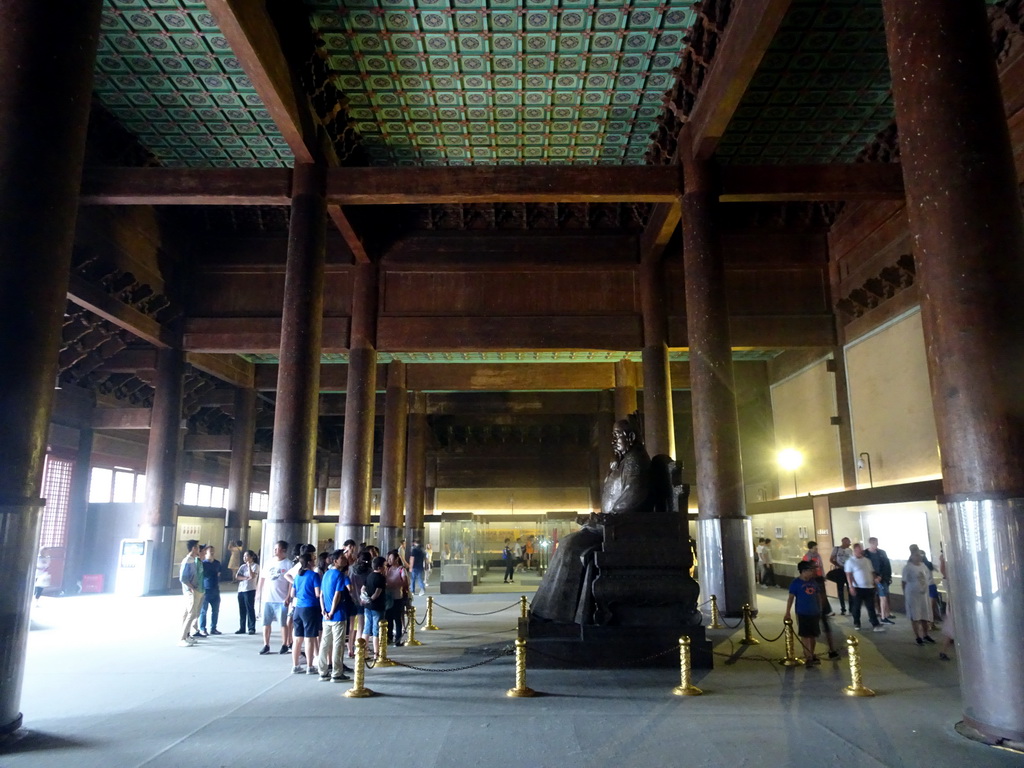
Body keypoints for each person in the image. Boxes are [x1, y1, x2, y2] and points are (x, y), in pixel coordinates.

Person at [531, 416, 652, 623]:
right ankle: (551, 609)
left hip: (622, 528)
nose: (613, 440)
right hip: (610, 525)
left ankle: (558, 612)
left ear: (631, 437)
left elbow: (632, 499)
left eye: (617, 436)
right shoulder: (623, 461)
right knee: (569, 542)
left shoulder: (635, 462)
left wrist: (605, 519)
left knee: (571, 545)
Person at [784, 561, 828, 664]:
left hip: (814, 612)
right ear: (803, 571)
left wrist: (820, 608)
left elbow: (818, 595)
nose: (812, 572)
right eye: (809, 570)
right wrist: (787, 612)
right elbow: (790, 598)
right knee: (805, 635)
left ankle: (811, 654)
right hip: (802, 612)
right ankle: (807, 656)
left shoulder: (813, 582)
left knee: (813, 634)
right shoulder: (795, 583)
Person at [318, 550, 350, 682]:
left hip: (325, 615)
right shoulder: (340, 576)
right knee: (338, 644)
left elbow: (321, 595)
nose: (344, 559)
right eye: (342, 558)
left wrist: (323, 610)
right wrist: (331, 611)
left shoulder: (326, 574)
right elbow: (337, 595)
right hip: (337, 614)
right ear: (335, 560)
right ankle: (337, 672)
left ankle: (322, 671)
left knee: (325, 643)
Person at [255, 540, 292, 655]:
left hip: (281, 599)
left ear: (283, 550)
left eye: (277, 549)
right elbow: (262, 578)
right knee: (266, 623)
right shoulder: (268, 563)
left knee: (283, 623)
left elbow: (291, 582)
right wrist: (258, 592)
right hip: (268, 598)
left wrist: (288, 596)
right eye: (274, 549)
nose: (275, 551)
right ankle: (266, 644)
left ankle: (284, 644)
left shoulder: (288, 564)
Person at [290, 553, 322, 674]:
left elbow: (293, 594)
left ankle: (295, 665)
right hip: (310, 608)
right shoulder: (314, 575)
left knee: (297, 638)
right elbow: (318, 593)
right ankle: (310, 666)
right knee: (310, 638)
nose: (314, 561)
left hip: (298, 609)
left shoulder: (298, 576)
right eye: (313, 560)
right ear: (309, 562)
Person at [845, 542, 884, 632]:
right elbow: (849, 574)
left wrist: (875, 582)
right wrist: (851, 586)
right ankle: (857, 622)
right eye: (858, 549)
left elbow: (872, 571)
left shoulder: (867, 560)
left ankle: (875, 624)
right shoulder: (850, 561)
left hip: (869, 587)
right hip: (858, 587)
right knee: (857, 606)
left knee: (870, 606)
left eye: (861, 549)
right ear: (854, 550)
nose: (860, 551)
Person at [902, 550, 936, 646]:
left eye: (920, 555)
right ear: (912, 556)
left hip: (923, 595)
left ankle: (925, 634)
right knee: (915, 616)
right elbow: (904, 581)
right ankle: (918, 636)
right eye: (917, 555)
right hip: (913, 595)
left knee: (924, 615)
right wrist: (905, 594)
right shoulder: (908, 568)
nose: (919, 557)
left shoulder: (923, 566)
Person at [178, 539, 204, 647]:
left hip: (192, 589)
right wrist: (192, 587)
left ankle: (187, 635)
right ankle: (182, 638)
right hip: (190, 591)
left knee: (187, 613)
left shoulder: (193, 560)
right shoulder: (187, 561)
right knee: (191, 613)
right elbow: (183, 578)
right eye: (197, 547)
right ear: (193, 548)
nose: (199, 549)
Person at [361, 556, 388, 661]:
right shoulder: (381, 578)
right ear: (380, 567)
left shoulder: (369, 576)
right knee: (376, 630)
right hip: (377, 606)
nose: (386, 567)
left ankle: (364, 653)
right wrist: (371, 599)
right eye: (385, 565)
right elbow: (378, 593)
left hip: (367, 607)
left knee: (367, 628)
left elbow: (362, 589)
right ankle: (377, 654)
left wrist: (365, 599)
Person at [347, 550, 372, 658]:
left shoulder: (351, 569)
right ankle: (359, 649)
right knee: (361, 627)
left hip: (351, 599)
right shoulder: (369, 571)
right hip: (362, 601)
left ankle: (350, 649)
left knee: (351, 627)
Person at [865, 537, 894, 624]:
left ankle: (883, 616)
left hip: (881, 578)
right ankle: (875, 616)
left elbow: (886, 566)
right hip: (870, 579)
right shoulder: (865, 554)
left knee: (883, 597)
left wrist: (884, 576)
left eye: (876, 543)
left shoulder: (881, 553)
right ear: (870, 543)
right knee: (872, 598)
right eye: (874, 543)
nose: (876, 545)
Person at [385, 549, 410, 646]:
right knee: (388, 619)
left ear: (396, 559)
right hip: (388, 598)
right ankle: (389, 637)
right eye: (388, 558)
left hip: (397, 597)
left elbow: (405, 582)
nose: (389, 560)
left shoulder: (401, 569)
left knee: (397, 619)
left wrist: (395, 584)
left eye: (391, 558)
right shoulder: (387, 569)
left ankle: (398, 639)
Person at [801, 541, 833, 615]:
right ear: (810, 548)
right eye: (815, 548)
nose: (816, 550)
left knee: (823, 594)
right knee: (815, 594)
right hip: (812, 577)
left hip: (819, 576)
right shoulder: (807, 557)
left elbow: (821, 565)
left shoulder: (818, 555)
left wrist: (823, 575)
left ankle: (826, 610)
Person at [198, 545, 223, 636]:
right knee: (204, 611)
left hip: (216, 589)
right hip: (206, 590)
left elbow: (219, 574)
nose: (212, 552)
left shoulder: (217, 563)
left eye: (213, 551)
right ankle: (203, 628)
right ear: (206, 553)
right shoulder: (203, 564)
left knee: (215, 610)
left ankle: (213, 628)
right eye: (210, 551)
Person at [234, 549, 258, 634]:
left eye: (246, 556)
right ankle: (242, 627)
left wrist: (249, 566)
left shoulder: (255, 566)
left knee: (250, 609)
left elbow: (252, 576)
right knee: (242, 609)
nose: (244, 558)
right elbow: (237, 576)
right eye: (244, 556)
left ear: (251, 557)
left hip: (250, 589)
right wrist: (245, 578)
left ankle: (251, 627)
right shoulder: (242, 566)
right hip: (241, 590)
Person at [828, 537, 853, 615]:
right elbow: (831, 559)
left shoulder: (850, 550)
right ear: (843, 542)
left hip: (848, 571)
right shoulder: (836, 549)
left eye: (849, 542)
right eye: (847, 542)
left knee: (850, 588)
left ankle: (851, 608)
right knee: (840, 590)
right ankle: (843, 608)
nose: (848, 544)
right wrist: (839, 565)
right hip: (840, 571)